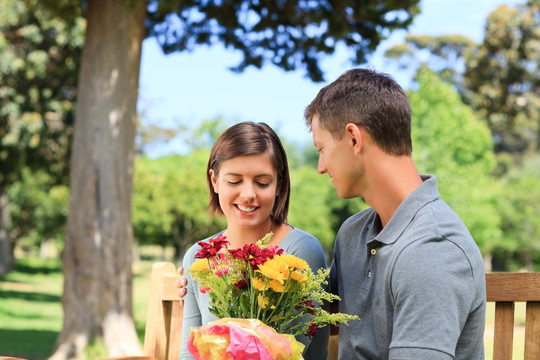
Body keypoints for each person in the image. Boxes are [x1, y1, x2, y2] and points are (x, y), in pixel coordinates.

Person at [305, 68, 486, 359]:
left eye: (321, 148)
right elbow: (313, 317)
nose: (321, 166)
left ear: (354, 139)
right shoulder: (353, 233)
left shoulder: (432, 251)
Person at [178, 121, 329, 360]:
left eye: (262, 183)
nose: (248, 194)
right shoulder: (198, 257)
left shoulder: (299, 251)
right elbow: (190, 352)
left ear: (279, 184)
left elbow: (292, 352)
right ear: (215, 181)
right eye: (234, 181)